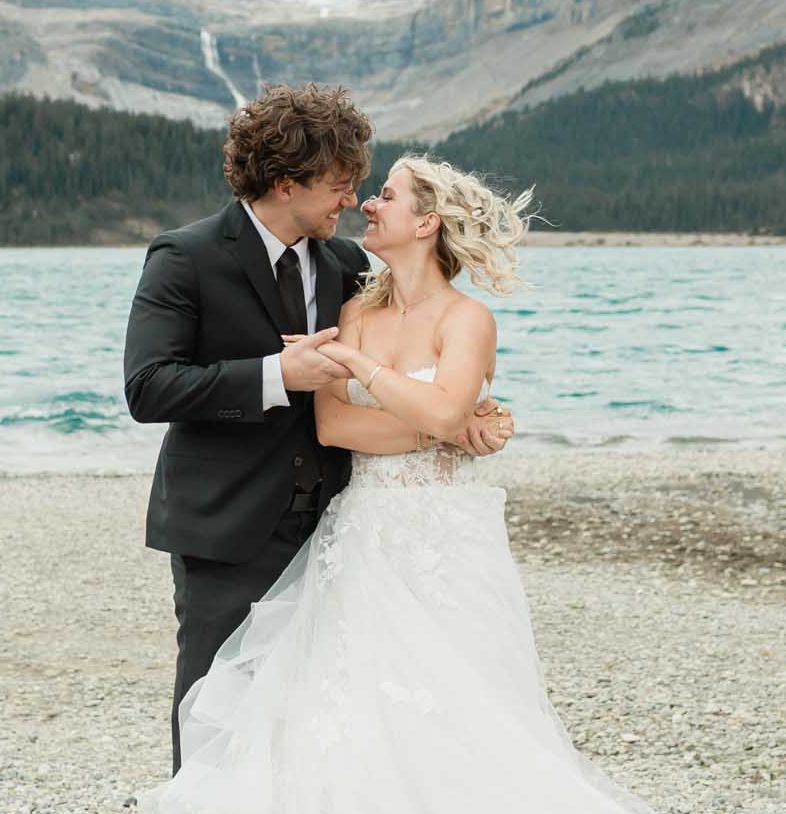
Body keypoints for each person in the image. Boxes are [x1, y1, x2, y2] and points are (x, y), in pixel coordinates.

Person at [135, 154, 708, 814]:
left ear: (429, 221)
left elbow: (425, 410)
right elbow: (337, 428)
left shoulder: (465, 316)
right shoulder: (354, 307)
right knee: (350, 726)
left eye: (387, 195)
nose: (368, 203)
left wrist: (433, 407)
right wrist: (444, 419)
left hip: (448, 540)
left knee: (475, 719)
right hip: (364, 534)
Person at [123, 85, 514, 777]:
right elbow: (148, 387)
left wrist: (466, 418)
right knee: (216, 699)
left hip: (340, 525)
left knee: (315, 711)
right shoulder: (186, 257)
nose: (351, 201)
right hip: (228, 523)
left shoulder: (348, 269)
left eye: (362, 188)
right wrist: (275, 375)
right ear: (285, 183)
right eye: (338, 186)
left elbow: (406, 371)